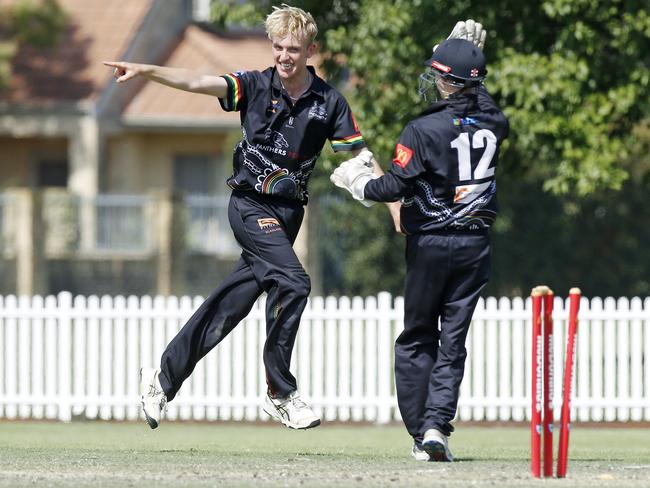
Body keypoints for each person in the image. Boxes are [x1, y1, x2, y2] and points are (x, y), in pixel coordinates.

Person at [104, 4, 372, 431]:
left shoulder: (329, 102)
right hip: (249, 207)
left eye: (294, 49)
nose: (285, 56)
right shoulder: (254, 86)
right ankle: (280, 392)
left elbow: (358, 159)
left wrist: (392, 197)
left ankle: (162, 377)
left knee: (230, 306)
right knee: (294, 282)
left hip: (287, 215)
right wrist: (145, 69)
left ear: (311, 50)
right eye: (279, 47)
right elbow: (196, 80)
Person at [330, 32, 509, 461]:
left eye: (440, 77)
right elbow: (480, 104)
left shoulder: (422, 129)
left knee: (416, 338)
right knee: (454, 341)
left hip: (431, 244)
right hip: (475, 247)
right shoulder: (496, 121)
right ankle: (436, 427)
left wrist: (360, 184)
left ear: (450, 83)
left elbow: (394, 184)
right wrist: (462, 58)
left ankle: (419, 434)